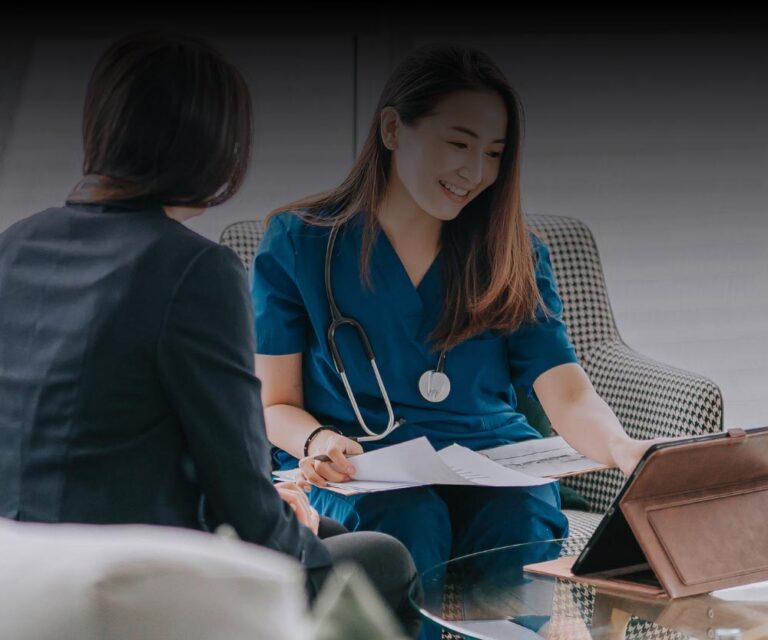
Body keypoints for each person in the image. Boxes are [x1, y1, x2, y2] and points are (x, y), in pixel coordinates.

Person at [0, 32, 421, 637]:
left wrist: (287, 520)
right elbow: (238, 488)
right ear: (212, 145)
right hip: (135, 573)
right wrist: (289, 534)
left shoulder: (15, 244)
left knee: (327, 534)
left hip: (26, 569)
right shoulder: (193, 269)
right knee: (385, 558)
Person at [250, 43, 668, 628]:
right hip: (363, 464)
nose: (475, 173)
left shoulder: (515, 254)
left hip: (490, 457)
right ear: (394, 129)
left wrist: (623, 449)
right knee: (407, 522)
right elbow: (274, 402)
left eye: (494, 153)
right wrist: (317, 440)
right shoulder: (299, 244)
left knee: (522, 515)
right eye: (458, 143)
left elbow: (567, 391)